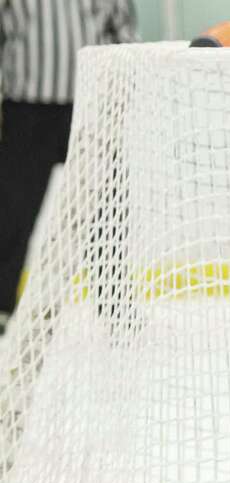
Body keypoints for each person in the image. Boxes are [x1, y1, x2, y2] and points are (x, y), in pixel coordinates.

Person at [0, 0, 136, 336]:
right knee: (13, 210)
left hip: (91, 103)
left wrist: (121, 90)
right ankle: (1, 305)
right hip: (27, 106)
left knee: (107, 208)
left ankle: (116, 308)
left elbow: (123, 30)